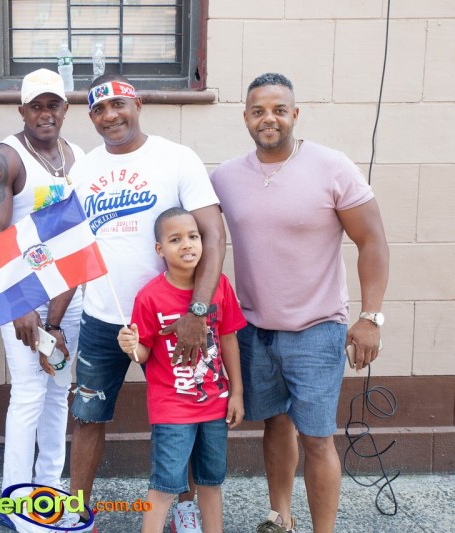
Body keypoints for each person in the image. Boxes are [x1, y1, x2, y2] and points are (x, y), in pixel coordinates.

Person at [210, 73, 389, 533]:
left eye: (278, 110)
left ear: (295, 113)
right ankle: (280, 517)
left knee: (316, 437)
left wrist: (371, 317)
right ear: (245, 117)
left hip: (317, 328)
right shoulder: (225, 177)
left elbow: (372, 240)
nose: (268, 119)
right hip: (254, 329)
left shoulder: (332, 167)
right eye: (258, 111)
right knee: (274, 424)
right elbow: (196, 234)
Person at [68, 74, 227, 531]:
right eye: (99, 109)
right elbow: (71, 248)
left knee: (188, 414)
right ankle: (78, 512)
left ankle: (185, 508)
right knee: (88, 416)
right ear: (91, 118)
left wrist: (198, 312)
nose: (110, 116)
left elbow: (214, 236)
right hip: (105, 318)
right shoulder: (83, 170)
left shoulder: (176, 158)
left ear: (137, 104)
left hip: (175, 320)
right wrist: (55, 321)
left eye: (118, 104)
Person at [0, 68, 84, 533]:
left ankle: (48, 489)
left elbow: (77, 239)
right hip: (22, 296)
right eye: (36, 106)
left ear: (65, 108)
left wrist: (57, 317)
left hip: (67, 295)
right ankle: (14, 499)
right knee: (29, 393)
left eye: (53, 105)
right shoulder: (3, 158)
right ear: (22, 110)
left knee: (58, 390)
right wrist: (20, 306)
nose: (45, 113)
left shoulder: (77, 156)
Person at [117, 207, 245, 533]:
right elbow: (143, 354)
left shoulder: (220, 285)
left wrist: (237, 393)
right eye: (175, 240)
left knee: (211, 483)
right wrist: (131, 345)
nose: (187, 244)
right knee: (164, 486)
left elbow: (228, 338)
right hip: (172, 408)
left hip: (215, 404)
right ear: (160, 249)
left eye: (193, 236)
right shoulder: (149, 297)